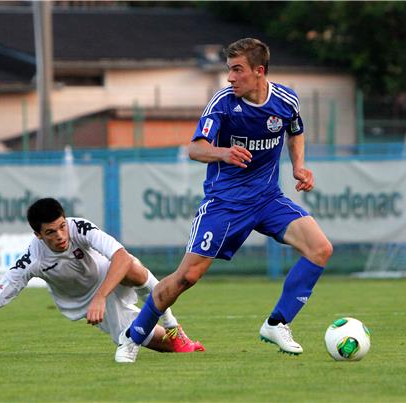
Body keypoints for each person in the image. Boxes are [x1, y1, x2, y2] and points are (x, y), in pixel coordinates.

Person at [115, 38, 332, 363]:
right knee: (186, 277)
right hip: (225, 204)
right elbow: (195, 148)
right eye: (228, 69)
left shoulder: (286, 100)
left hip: (268, 198)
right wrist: (223, 152)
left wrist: (299, 166)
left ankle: (278, 323)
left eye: (237, 70)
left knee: (321, 249)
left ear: (259, 72)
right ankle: (132, 337)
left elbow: (295, 130)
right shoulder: (223, 104)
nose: (229, 77)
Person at [0, 197, 204, 358]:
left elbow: (119, 255)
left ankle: (174, 327)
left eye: (61, 226)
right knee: (149, 340)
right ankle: (178, 343)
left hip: (108, 277)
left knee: (131, 264)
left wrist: (101, 296)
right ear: (38, 235)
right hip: (85, 302)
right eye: (50, 232)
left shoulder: (79, 227)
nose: (60, 235)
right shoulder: (33, 260)